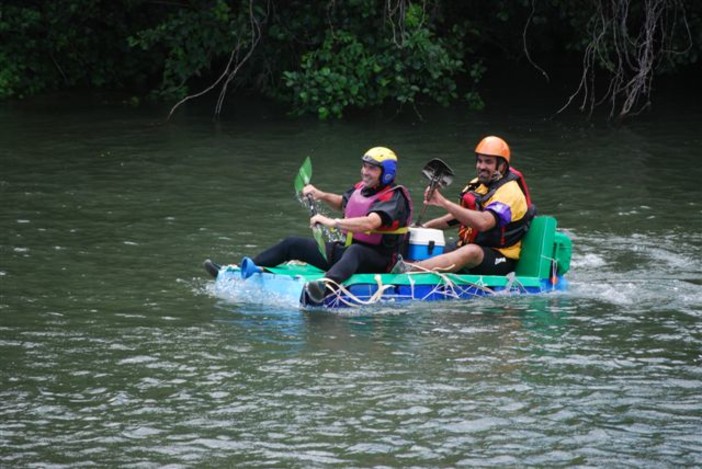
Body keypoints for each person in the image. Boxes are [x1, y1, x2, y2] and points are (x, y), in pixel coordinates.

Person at [205, 146, 413, 304]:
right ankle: (239, 271)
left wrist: (332, 223)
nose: (365, 172)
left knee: (356, 251)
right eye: (364, 166)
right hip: (349, 253)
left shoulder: (395, 198)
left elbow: (371, 222)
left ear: (386, 172)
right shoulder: (362, 188)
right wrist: (320, 195)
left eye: (372, 169)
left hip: (380, 259)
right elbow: (343, 202)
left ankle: (324, 287)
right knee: (292, 243)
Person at [393, 135, 534, 275]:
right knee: (434, 245)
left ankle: (406, 272)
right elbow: (459, 217)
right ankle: (395, 264)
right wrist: (425, 227)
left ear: (502, 166)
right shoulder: (478, 184)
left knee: (471, 251)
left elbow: (483, 223)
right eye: (479, 161)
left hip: (501, 257)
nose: (482, 166)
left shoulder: (511, 193)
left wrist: (443, 202)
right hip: (468, 246)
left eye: (488, 162)